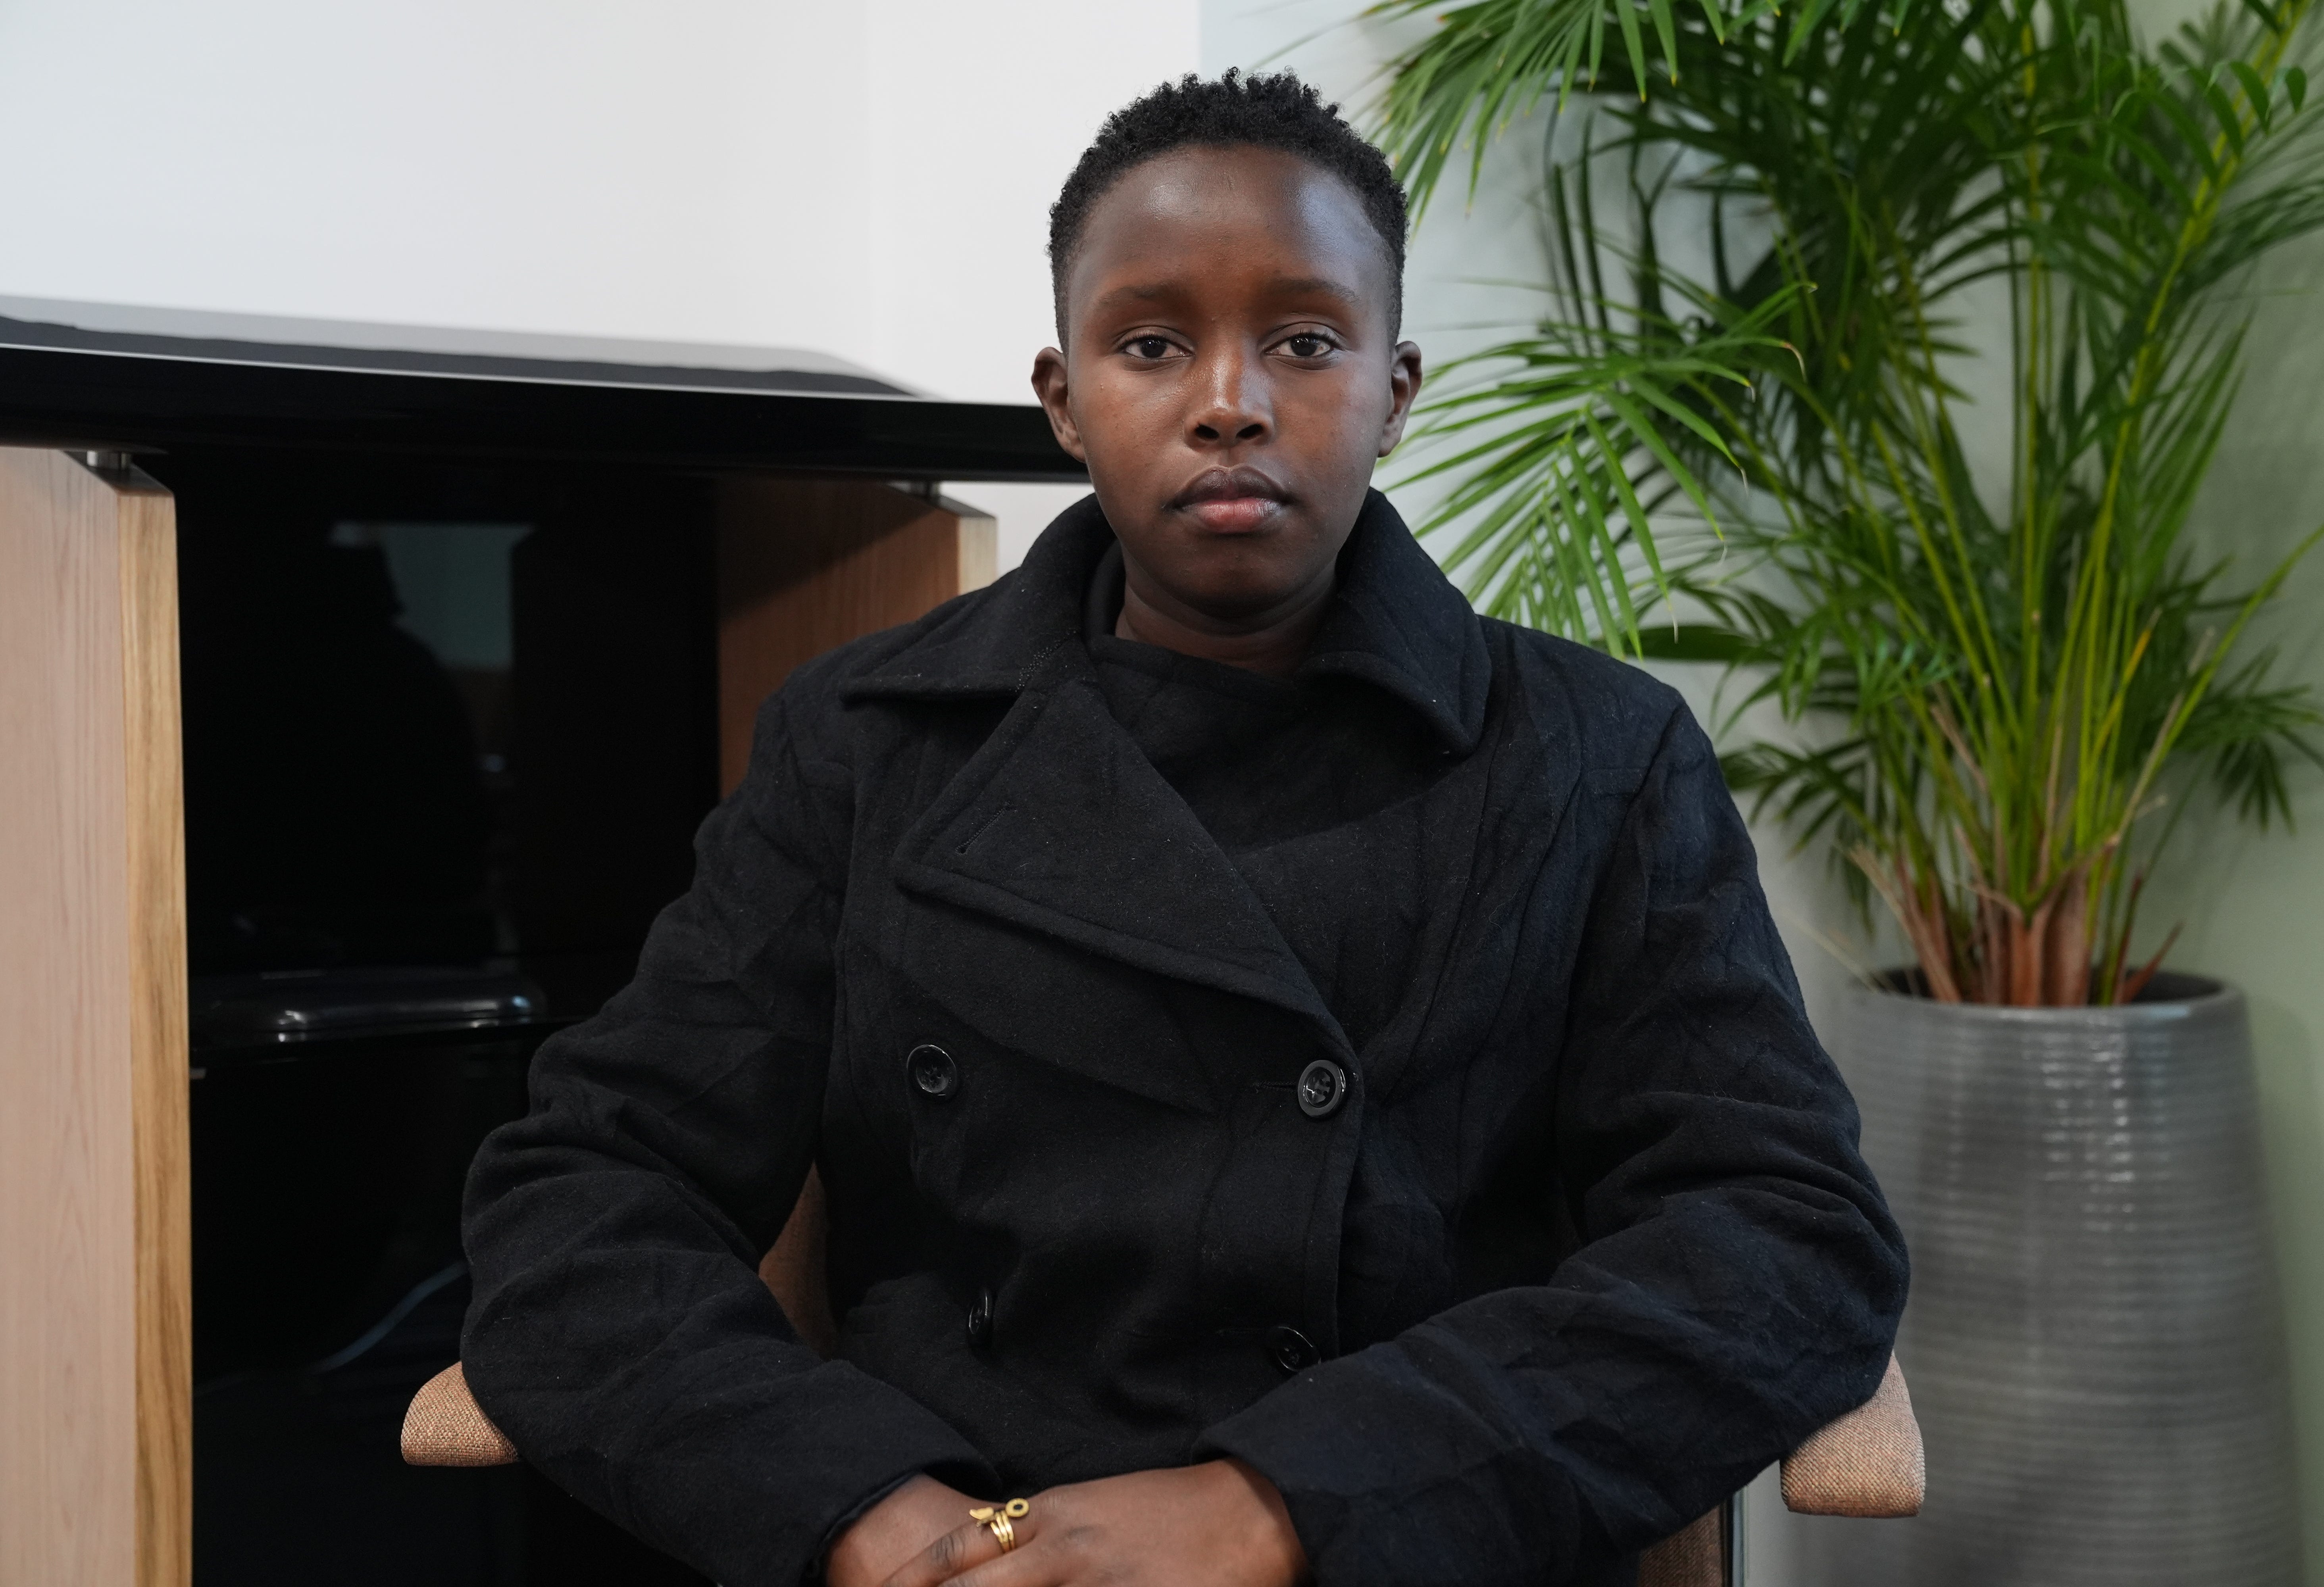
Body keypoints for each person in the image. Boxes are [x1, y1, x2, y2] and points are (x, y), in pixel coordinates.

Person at [460, 70, 1907, 1587]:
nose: (1232, 398)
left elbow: (1782, 1236)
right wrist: (861, 1509)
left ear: (1395, 391)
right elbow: (587, 1193)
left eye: (1304, 340)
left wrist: (1278, 1504)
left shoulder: (1597, 758)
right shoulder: (867, 740)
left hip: (1403, 1534)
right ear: (1064, 399)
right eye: (1153, 344)